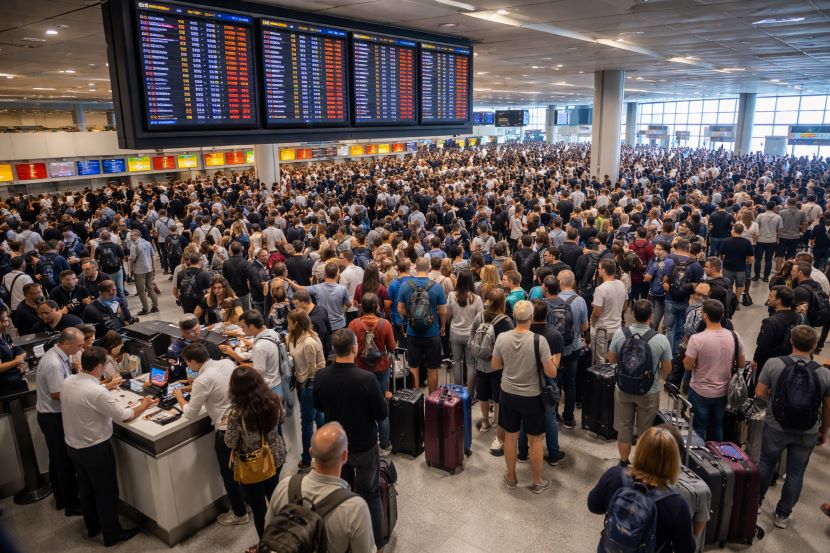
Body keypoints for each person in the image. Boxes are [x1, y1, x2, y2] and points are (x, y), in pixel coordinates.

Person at [62, 346, 156, 546]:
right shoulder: (96, 391)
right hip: (94, 448)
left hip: (73, 446)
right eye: (104, 365)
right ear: (98, 367)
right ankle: (112, 533)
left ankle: (93, 526)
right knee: (106, 491)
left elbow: (89, 398)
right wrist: (145, 404)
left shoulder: (70, 381)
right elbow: (125, 415)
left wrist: (107, 388)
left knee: (86, 488)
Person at [313, 328, 388, 550]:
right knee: (371, 494)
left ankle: (343, 541)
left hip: (336, 448)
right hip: (364, 444)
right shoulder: (366, 378)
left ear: (334, 350)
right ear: (355, 348)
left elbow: (318, 406)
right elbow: (381, 413)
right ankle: (376, 542)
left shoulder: (321, 376)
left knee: (339, 494)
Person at [755, 325, 830, 529]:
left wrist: (775, 402)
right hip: (807, 430)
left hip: (776, 425)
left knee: (766, 463)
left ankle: (756, 504)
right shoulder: (823, 373)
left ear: (791, 341)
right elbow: (827, 407)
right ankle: (782, 514)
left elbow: (760, 392)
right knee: (796, 473)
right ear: (814, 345)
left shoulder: (774, 364)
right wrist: (823, 430)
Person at [264, 422, 376, 553]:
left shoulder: (284, 486)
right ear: (344, 456)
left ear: (311, 452)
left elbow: (267, 528)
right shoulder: (355, 508)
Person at [173, 343, 249, 527]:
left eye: (187, 363)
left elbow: (190, 413)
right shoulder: (227, 364)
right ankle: (248, 501)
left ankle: (239, 513)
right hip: (243, 423)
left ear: (192, 361)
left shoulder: (202, 380)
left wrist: (179, 397)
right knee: (244, 467)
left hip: (224, 431)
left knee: (229, 473)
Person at [587, 426, 696, 553]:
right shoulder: (677, 505)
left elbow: (593, 506)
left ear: (640, 449)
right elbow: (687, 549)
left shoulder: (614, 476)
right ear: (674, 462)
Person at [492, 300, 557, 493]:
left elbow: (495, 365)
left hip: (508, 394)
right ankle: (537, 481)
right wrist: (553, 361)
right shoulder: (539, 341)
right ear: (531, 318)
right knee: (535, 439)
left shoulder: (502, 338)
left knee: (510, 437)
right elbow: (551, 373)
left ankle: (511, 478)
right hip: (532, 396)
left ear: (514, 317)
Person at [224, 366, 286, 543]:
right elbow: (281, 419)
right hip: (275, 455)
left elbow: (230, 442)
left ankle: (266, 544)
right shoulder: (274, 400)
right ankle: (284, 539)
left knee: (260, 509)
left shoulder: (237, 414)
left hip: (251, 464)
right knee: (275, 500)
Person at [607, 299, 672, 466]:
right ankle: (640, 464)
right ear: (651, 316)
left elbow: (611, 359)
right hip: (649, 391)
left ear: (633, 315)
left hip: (623, 388)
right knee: (645, 430)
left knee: (625, 427)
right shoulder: (661, 340)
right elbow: (667, 368)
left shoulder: (620, 333)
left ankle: (623, 461)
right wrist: (658, 378)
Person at [35, 328, 84, 518]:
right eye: (78, 345)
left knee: (57, 461)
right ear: (66, 343)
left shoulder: (62, 355)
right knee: (63, 462)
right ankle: (71, 504)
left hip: (53, 416)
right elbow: (57, 394)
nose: (80, 349)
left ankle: (62, 499)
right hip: (53, 417)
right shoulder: (53, 363)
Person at [683, 299, 745, 441]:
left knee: (698, 428)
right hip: (723, 391)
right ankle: (716, 457)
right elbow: (741, 364)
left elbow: (687, 365)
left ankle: (698, 459)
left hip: (700, 390)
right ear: (722, 314)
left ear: (704, 315)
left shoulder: (697, 339)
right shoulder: (735, 336)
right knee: (717, 426)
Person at [517, 299, 565, 466]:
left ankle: (522, 452)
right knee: (549, 417)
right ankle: (553, 454)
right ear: (548, 315)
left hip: (524, 381)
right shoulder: (554, 335)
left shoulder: (522, 333)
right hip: (548, 382)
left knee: (524, 418)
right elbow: (556, 364)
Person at [349, 293, 396, 451]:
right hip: (381, 369)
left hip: (360, 370)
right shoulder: (385, 324)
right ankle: (384, 444)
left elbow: (350, 348)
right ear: (377, 306)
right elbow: (392, 347)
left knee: (362, 406)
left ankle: (366, 443)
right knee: (381, 406)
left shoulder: (354, 324)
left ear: (362, 306)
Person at [396, 257, 447, 393]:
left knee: (414, 367)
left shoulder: (405, 286)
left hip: (413, 334)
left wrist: (410, 317)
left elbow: (400, 309)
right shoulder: (437, 287)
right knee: (433, 368)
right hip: (432, 333)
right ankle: (432, 400)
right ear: (429, 268)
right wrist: (442, 327)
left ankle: (415, 401)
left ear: (415, 269)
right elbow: (443, 311)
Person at [287, 309, 326, 473]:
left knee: (307, 423)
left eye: (289, 322)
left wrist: (304, 381)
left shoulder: (309, 342)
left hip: (309, 385)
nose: (287, 324)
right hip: (303, 383)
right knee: (318, 417)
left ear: (296, 323)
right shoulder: (293, 338)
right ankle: (326, 449)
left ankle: (306, 459)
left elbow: (315, 368)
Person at [221, 310, 284, 399]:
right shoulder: (271, 332)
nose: (242, 330)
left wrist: (242, 368)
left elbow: (258, 372)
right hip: (278, 382)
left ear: (252, 326)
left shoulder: (259, 347)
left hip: (270, 389)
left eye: (243, 326)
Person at [556, 270, 589, 429]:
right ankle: (568, 417)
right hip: (574, 346)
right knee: (571, 383)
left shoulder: (552, 300)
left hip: (555, 349)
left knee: (555, 382)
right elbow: (584, 326)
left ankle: (553, 414)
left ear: (560, 283)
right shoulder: (580, 301)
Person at [663, 239, 704, 354]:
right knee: (680, 329)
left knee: (669, 329)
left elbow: (665, 280)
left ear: (677, 247)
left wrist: (667, 288)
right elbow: (697, 287)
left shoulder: (670, 260)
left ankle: (666, 354)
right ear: (689, 248)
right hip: (685, 301)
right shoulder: (695, 265)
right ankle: (675, 353)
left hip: (670, 299)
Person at [753, 286, 803, 376]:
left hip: (770, 363)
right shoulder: (798, 317)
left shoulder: (770, 322)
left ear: (779, 300)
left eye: (771, 296)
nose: (768, 298)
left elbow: (763, 346)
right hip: (790, 361)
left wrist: (755, 360)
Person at [447, 269, 484, 393]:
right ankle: (470, 393)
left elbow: (448, 314)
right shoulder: (476, 298)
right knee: (471, 364)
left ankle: (458, 390)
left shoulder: (452, 296)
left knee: (456, 361)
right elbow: (480, 319)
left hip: (455, 332)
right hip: (471, 334)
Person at [292, 262, 351, 331]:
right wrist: (343, 311)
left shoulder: (317, 288)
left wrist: (290, 282)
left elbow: (300, 288)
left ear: (325, 274)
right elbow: (349, 304)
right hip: (339, 325)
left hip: (324, 324)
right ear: (337, 274)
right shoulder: (342, 289)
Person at [590, 259, 627, 365]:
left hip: (603, 329)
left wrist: (592, 323)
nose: (598, 270)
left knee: (600, 359)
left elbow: (597, 312)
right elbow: (625, 307)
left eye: (599, 268)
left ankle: (602, 380)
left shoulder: (600, 289)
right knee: (615, 358)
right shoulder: (621, 284)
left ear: (604, 271)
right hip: (617, 327)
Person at [166, 313, 222, 381]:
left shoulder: (209, 343)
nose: (194, 334)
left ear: (199, 325)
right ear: (182, 331)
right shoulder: (175, 349)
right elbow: (176, 374)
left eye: (196, 329)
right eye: (188, 332)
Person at [718, 223, 754, 303]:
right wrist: (746, 264)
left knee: (729, 284)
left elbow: (720, 254)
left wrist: (722, 263)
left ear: (733, 230)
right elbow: (751, 258)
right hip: (741, 268)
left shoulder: (726, 241)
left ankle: (730, 300)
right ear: (742, 231)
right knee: (740, 285)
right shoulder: (747, 242)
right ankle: (736, 301)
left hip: (728, 267)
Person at [293, 289, 333, 359]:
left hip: (319, 353)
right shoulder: (322, 309)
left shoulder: (312, 319)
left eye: (296, 303)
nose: (295, 306)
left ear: (303, 302)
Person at [128, 228, 158, 315]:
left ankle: (145, 309)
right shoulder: (147, 243)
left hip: (139, 271)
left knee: (141, 290)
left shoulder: (134, 246)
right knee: (150, 288)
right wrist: (153, 267)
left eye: (131, 235)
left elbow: (133, 258)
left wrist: (130, 259)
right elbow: (153, 255)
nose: (130, 237)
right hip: (149, 269)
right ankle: (155, 306)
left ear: (137, 235)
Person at [0, 306, 28, 395]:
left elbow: (21, 351)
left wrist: (19, 359)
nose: (7, 320)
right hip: (5, 385)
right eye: (4, 319)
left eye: (7, 317)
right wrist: (17, 362)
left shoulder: (5, 335)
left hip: (16, 379)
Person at [754, 202, 782, 282]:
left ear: (766, 207)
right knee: (769, 260)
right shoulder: (778, 217)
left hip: (760, 240)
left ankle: (756, 276)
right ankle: (766, 277)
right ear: (774, 207)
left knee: (758, 259)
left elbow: (756, 227)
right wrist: (777, 238)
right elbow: (780, 229)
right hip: (772, 240)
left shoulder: (760, 216)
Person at [94, 230, 126, 298]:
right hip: (117, 270)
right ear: (110, 237)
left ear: (101, 238)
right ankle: (124, 307)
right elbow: (122, 256)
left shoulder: (99, 248)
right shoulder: (116, 246)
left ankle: (114, 306)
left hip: (106, 272)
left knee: (110, 290)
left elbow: (96, 259)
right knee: (120, 290)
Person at [223, 241, 253, 311]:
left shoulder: (226, 263)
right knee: (246, 312)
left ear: (230, 250)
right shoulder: (246, 263)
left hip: (231, 293)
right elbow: (249, 280)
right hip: (244, 293)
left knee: (233, 313)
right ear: (241, 250)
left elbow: (225, 279)